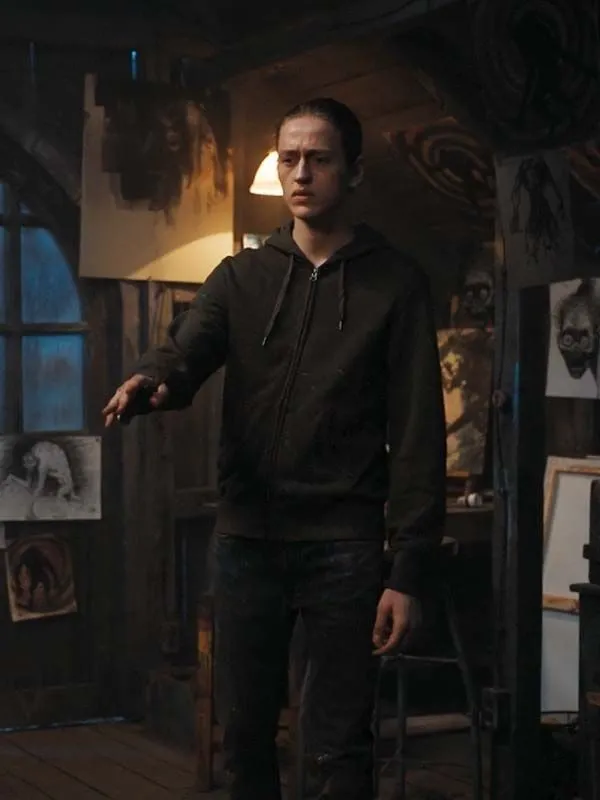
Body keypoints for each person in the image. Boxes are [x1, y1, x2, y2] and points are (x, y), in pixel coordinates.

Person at [103, 97, 446, 800]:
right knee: (245, 739)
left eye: (318, 159)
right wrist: (152, 379)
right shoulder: (243, 277)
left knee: (338, 748)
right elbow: (185, 350)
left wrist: (408, 570)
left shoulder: (396, 284)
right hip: (248, 543)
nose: (300, 173)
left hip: (344, 547)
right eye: (289, 159)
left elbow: (418, 432)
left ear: (353, 171)